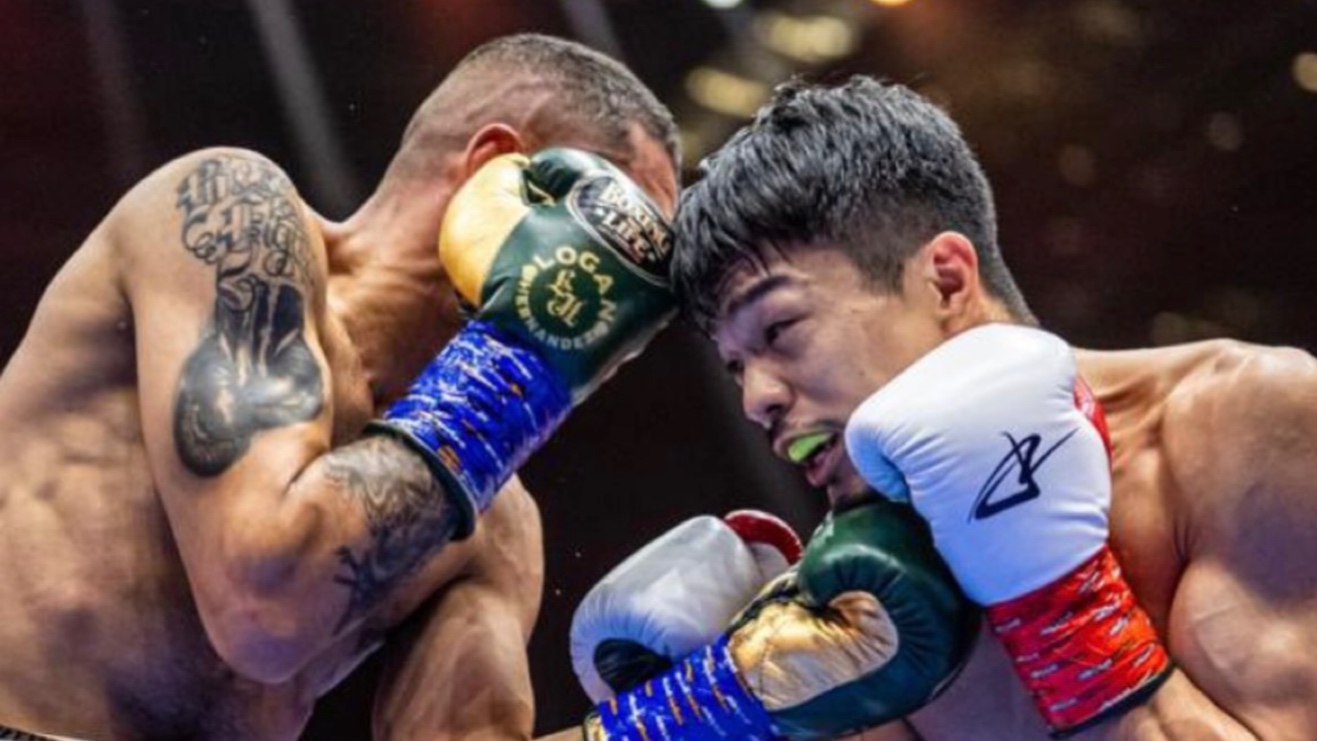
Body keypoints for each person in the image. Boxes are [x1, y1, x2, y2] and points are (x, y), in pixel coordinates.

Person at [0, 33, 680, 740]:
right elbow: (264, 605)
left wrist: (708, 702)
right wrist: (520, 356)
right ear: (496, 169)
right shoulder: (231, 218)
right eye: (613, 230)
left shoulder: (490, 518)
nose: (620, 310)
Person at [670, 76, 1317, 739]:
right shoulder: (875, 597)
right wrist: (681, 712)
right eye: (736, 366)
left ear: (946, 281)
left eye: (778, 329)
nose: (757, 399)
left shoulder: (1241, 423)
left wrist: (1062, 614)